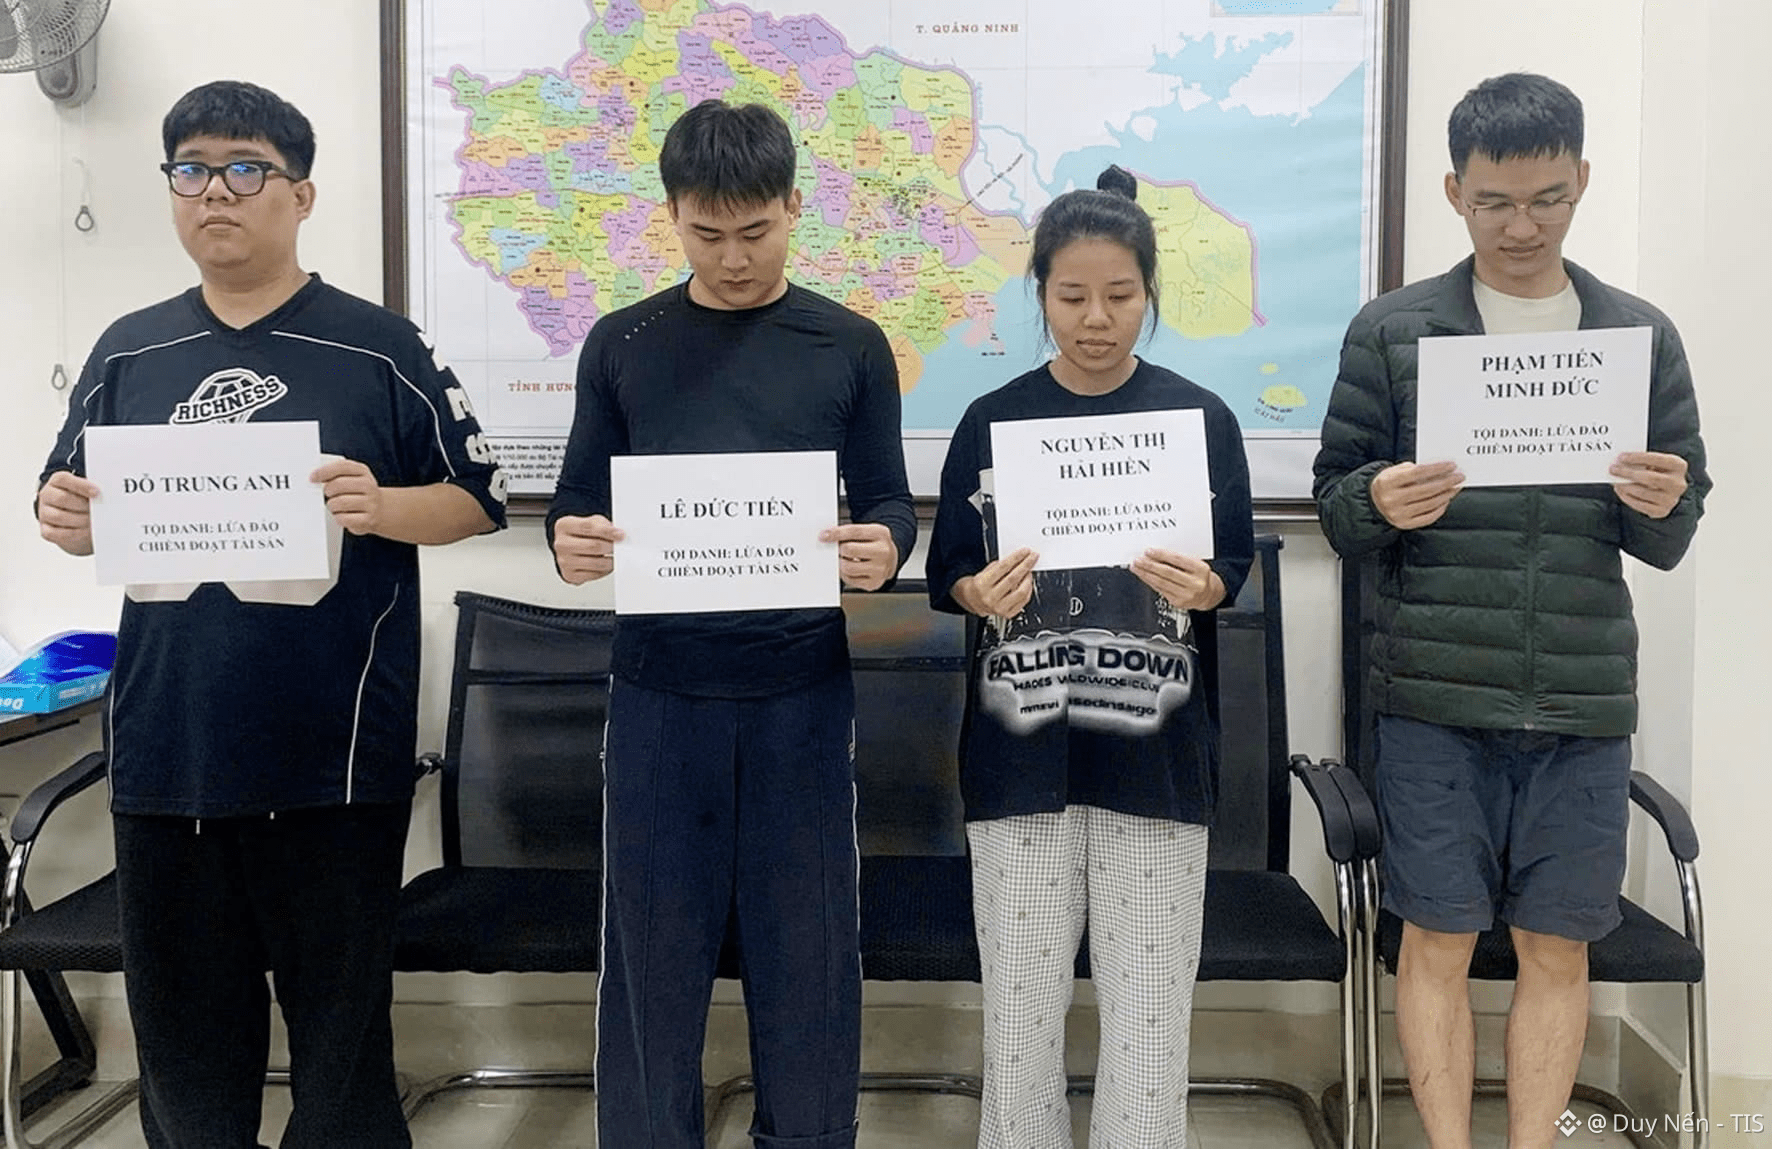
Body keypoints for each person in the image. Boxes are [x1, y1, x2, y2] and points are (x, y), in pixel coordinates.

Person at [33, 80, 507, 1147]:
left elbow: (480, 498)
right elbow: (70, 506)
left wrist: (383, 506)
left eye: (245, 170)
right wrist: (63, 517)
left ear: (301, 195)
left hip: (331, 759)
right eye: (192, 170)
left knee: (340, 1051)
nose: (216, 192)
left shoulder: (380, 347)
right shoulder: (128, 351)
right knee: (186, 1052)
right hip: (168, 751)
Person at [1313, 73, 1708, 1149]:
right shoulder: (1393, 330)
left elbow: (1671, 532)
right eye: (1493, 202)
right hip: (1432, 698)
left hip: (1581, 701)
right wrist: (1376, 500)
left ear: (1581, 181)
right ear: (1454, 192)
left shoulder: (1636, 335)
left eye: (1547, 200)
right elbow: (1338, 507)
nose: (1521, 227)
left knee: (1557, 945)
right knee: (1434, 939)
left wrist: (1663, 501)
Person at [547, 99, 916, 1149]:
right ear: (671, 215)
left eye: (755, 231)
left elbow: (888, 502)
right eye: (707, 234)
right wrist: (572, 544)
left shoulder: (849, 344)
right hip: (660, 691)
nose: (735, 258)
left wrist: (886, 550)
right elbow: (576, 503)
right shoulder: (623, 342)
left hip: (802, 690)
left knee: (808, 950)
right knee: (651, 956)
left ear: (794, 206)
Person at [926, 166, 1254, 1149]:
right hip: (1018, 753)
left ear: (1149, 293)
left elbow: (1230, 563)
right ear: (1039, 293)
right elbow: (951, 568)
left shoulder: (1200, 420)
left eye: (1119, 295)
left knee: (1150, 1021)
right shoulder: (992, 420)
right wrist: (975, 594)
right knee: (1018, 1017)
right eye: (1071, 297)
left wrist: (1209, 587)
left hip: (1155, 757)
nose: (1096, 319)